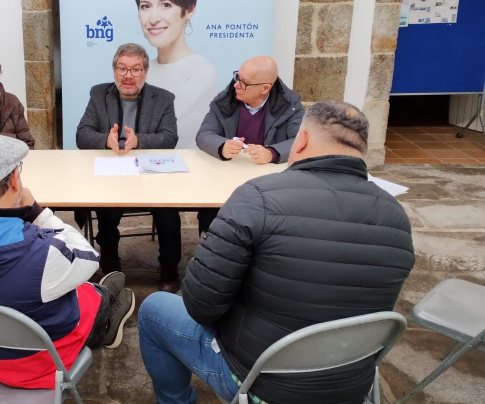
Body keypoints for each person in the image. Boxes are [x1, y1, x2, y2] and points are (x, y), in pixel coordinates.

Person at [138, 101, 416, 404]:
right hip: (351, 388)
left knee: (154, 310)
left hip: (260, 385)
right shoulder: (396, 215)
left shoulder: (257, 196)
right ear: (361, 149)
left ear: (303, 140)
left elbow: (200, 306)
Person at [0, 133, 135, 389]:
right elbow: (88, 256)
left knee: (55, 281)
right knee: (83, 288)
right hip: (33, 366)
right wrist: (36, 210)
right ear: (14, 180)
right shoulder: (40, 254)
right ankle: (105, 316)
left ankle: (105, 297)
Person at [76, 43, 182, 292]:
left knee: (169, 213)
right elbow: (82, 135)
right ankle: (110, 262)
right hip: (113, 171)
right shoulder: (99, 94)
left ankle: (169, 268)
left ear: (145, 71)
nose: (128, 76)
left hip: (150, 174)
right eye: (122, 69)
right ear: (114, 71)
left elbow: (170, 137)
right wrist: (105, 139)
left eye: (135, 69)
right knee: (106, 210)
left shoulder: (163, 98)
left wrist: (140, 140)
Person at [195, 55, 304, 234]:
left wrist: (273, 153)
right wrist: (222, 146)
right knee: (212, 216)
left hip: (269, 184)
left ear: (265, 88)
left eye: (244, 82)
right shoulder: (225, 99)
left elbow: (299, 140)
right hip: (225, 179)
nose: (236, 85)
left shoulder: (289, 104)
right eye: (237, 77)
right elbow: (204, 134)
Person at [135, 0, 219, 148]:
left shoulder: (201, 73)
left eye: (165, 4)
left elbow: (169, 138)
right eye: (145, 6)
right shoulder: (143, 70)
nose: (153, 18)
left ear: (189, 10)